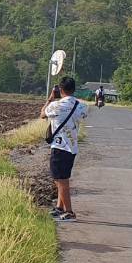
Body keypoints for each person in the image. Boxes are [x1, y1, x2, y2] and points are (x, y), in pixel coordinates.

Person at [43, 76, 87, 221]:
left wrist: (50, 98)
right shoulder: (80, 106)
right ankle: (59, 207)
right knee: (63, 178)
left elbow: (43, 114)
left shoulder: (55, 106)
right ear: (74, 90)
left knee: (61, 180)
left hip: (59, 146)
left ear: (60, 90)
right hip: (72, 147)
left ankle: (69, 211)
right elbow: (83, 116)